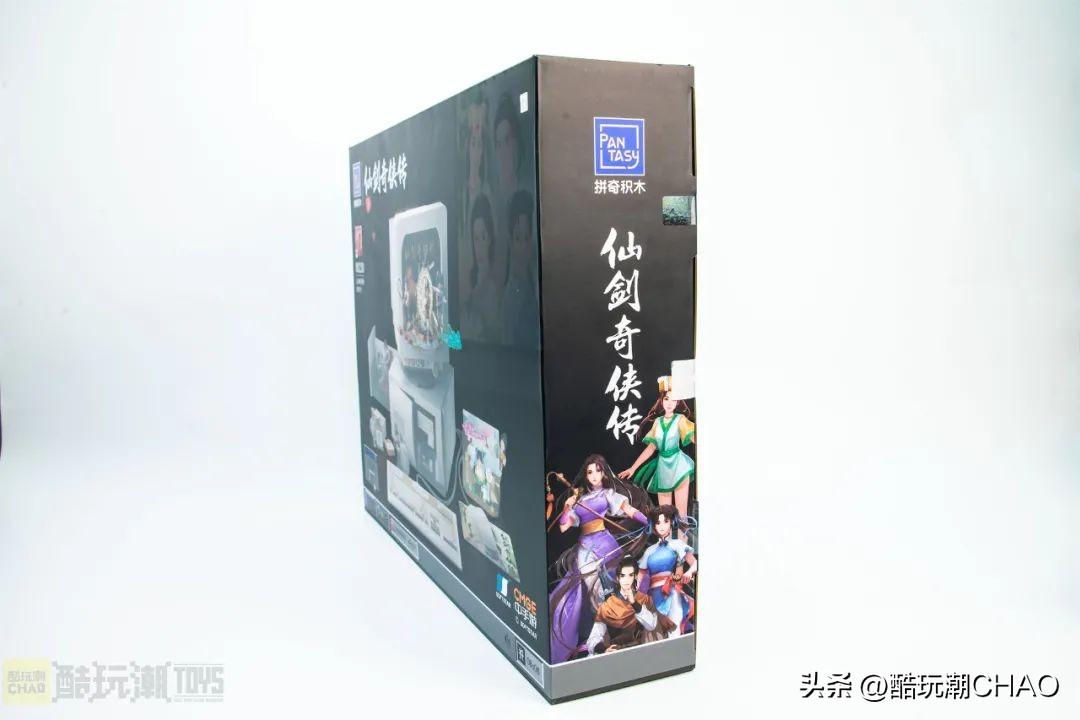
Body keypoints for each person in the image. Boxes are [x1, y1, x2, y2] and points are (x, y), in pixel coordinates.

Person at [548, 455, 651, 663]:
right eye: (590, 472)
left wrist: (647, 520)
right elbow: (564, 526)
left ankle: (628, 630)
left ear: (603, 473)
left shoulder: (608, 494)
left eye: (597, 471)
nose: (594, 475)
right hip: (586, 548)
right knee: (594, 591)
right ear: (585, 476)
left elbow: (628, 510)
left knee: (618, 586)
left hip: (606, 543)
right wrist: (567, 507)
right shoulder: (579, 500)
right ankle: (597, 640)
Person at [618, 376, 695, 535]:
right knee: (663, 517)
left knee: (681, 516)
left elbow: (695, 439)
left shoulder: (680, 419)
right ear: (661, 400)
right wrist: (633, 468)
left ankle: (682, 547)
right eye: (666, 399)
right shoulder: (657, 422)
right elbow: (651, 448)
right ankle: (665, 547)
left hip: (679, 466)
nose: (669, 403)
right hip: (663, 468)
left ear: (677, 402)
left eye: (673, 399)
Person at [586, 555, 674, 655]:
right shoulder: (607, 606)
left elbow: (652, 625)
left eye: (630, 575)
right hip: (618, 654)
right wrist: (603, 649)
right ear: (618, 578)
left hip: (644, 651)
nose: (626, 580)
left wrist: (634, 603)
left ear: (635, 576)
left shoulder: (644, 599)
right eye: (623, 576)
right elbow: (594, 638)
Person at [637, 505, 696, 636]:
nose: (662, 526)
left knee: (674, 627)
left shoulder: (677, 544)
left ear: (671, 523)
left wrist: (688, 572)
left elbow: (695, 563)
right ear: (654, 526)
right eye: (658, 523)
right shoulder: (649, 551)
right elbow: (641, 574)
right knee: (655, 631)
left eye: (665, 521)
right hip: (653, 595)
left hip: (671, 590)